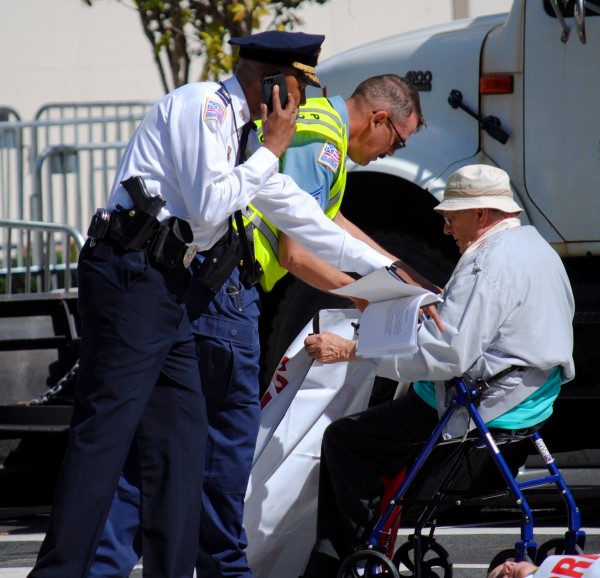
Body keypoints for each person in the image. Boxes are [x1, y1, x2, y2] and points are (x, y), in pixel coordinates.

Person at [28, 30, 402, 578]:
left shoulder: (242, 135)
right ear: (275, 86)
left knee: (179, 447)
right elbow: (208, 211)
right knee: (106, 435)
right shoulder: (201, 107)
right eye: (299, 91)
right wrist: (272, 150)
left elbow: (302, 216)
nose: (301, 107)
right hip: (130, 277)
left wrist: (388, 274)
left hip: (171, 289)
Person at [301, 164, 576, 578]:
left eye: (450, 218)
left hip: (487, 404)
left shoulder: (487, 262)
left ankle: (339, 563)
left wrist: (354, 350)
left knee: (345, 440)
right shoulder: (538, 249)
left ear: (480, 215)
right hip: (532, 402)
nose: (446, 230)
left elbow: (447, 354)